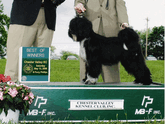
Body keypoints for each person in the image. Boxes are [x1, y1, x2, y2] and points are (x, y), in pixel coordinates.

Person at [5, 0, 65, 82]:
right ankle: (11, 92)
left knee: (40, 66)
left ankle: (40, 93)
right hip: (23, 13)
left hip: (48, 15)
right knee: (15, 61)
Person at [74, 0, 129, 83]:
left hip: (110, 30)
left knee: (111, 79)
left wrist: (124, 22)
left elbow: (120, 5)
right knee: (87, 72)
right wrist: (79, 5)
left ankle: (112, 94)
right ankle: (86, 91)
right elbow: (79, 1)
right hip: (89, 30)